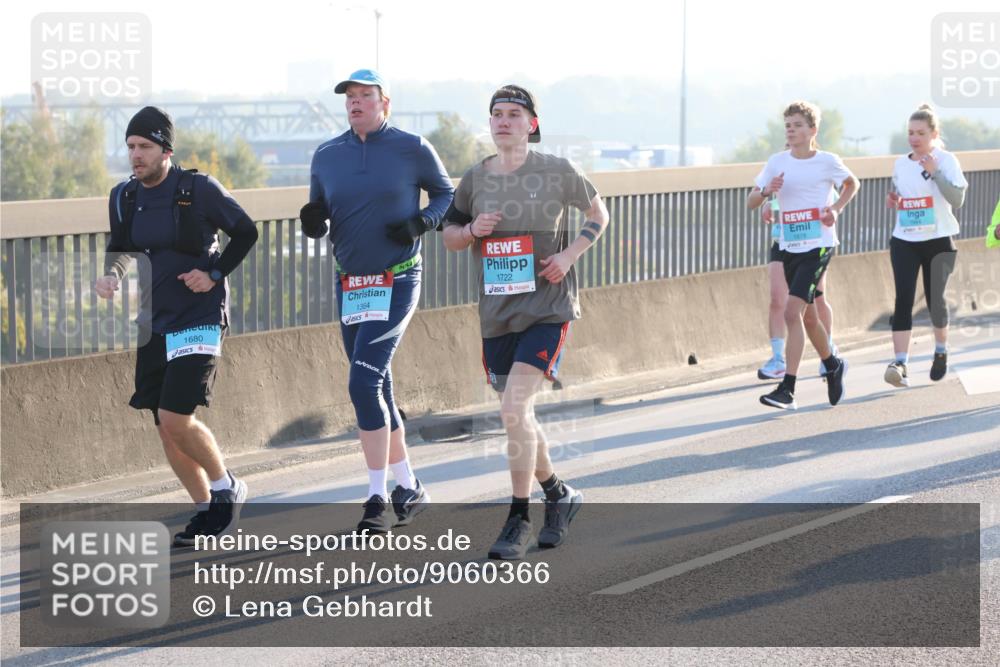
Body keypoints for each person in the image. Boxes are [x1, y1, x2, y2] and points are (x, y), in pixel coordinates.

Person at [442, 85, 609, 559]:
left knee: (513, 409)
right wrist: (472, 230)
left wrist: (571, 253)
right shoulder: (475, 179)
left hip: (547, 308)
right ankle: (559, 494)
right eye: (496, 114)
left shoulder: (556, 169)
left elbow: (599, 212)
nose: (503, 121)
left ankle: (519, 517)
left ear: (531, 124)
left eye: (514, 114)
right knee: (520, 416)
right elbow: (450, 237)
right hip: (497, 314)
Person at [95, 106, 258, 546]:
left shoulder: (199, 189)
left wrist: (215, 274)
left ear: (166, 149)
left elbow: (245, 232)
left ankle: (227, 488)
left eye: (144, 146)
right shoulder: (124, 197)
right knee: (164, 426)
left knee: (175, 415)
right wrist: (113, 275)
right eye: (130, 147)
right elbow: (121, 246)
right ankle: (206, 509)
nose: (135, 155)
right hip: (154, 322)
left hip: (199, 318)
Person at [303, 69, 454, 533]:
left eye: (365, 96)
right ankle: (409, 485)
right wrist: (313, 222)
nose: (355, 103)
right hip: (351, 284)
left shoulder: (412, 147)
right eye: (349, 96)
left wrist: (421, 223)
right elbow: (319, 214)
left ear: (385, 103)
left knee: (362, 384)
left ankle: (375, 498)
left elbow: (447, 194)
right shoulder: (326, 155)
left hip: (399, 278)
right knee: (378, 385)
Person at [747, 101, 859, 410]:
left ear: (813, 130)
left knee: (790, 311)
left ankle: (788, 388)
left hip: (819, 245)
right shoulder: (777, 162)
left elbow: (852, 183)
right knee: (809, 317)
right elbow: (751, 202)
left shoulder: (826, 161)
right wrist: (767, 190)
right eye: (788, 125)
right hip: (789, 246)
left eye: (797, 125)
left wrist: (835, 209)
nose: (791, 130)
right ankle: (832, 364)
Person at [884, 104, 968, 387]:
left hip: (939, 240)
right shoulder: (900, 163)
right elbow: (905, 196)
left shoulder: (946, 160)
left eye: (920, 133)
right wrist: (895, 202)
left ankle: (941, 351)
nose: (914, 138)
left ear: (934, 134)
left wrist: (935, 173)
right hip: (905, 239)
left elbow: (957, 200)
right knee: (903, 299)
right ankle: (900, 363)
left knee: (935, 301)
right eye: (910, 133)